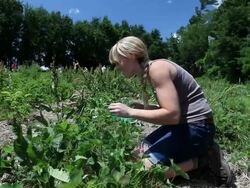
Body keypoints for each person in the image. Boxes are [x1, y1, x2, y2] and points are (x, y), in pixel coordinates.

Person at [108, 36, 233, 186]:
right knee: (136, 154)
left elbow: (172, 115)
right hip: (182, 126)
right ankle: (193, 156)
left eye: (117, 62)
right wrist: (141, 107)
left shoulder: (157, 69)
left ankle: (204, 160)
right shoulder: (151, 70)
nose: (117, 67)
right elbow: (172, 110)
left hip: (198, 128)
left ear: (131, 55)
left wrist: (130, 112)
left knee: (145, 170)